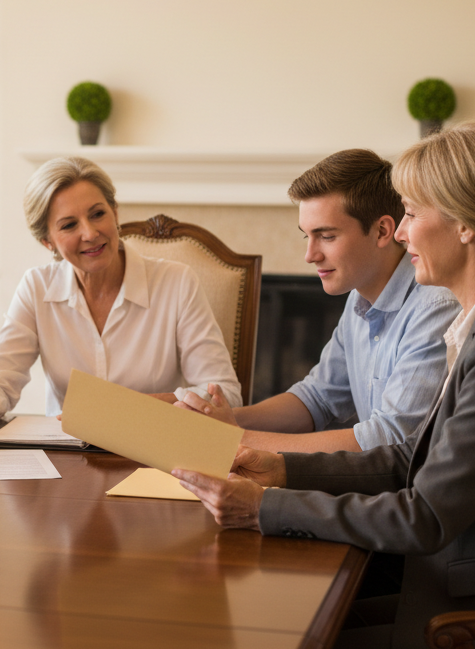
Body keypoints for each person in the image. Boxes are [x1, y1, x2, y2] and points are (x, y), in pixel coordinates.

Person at [174, 122, 475, 649]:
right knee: (283, 629)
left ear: (465, 225)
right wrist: (280, 467)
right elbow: (412, 459)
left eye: (409, 213)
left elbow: (425, 516)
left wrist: (263, 507)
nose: (400, 232)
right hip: (473, 592)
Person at [177, 149, 458, 452]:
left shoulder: (435, 307)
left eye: (327, 236)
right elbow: (317, 398)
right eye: (306, 236)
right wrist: (223, 421)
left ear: (382, 231)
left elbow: (390, 439)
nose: (310, 256)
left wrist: (237, 439)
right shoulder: (358, 297)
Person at [0, 156, 240, 445]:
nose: (89, 233)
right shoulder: (36, 286)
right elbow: (0, 375)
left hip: (158, 449)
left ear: (115, 212)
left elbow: (224, 394)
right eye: (68, 225)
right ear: (47, 241)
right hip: (69, 457)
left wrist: (127, 408)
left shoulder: (177, 282)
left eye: (98, 214)